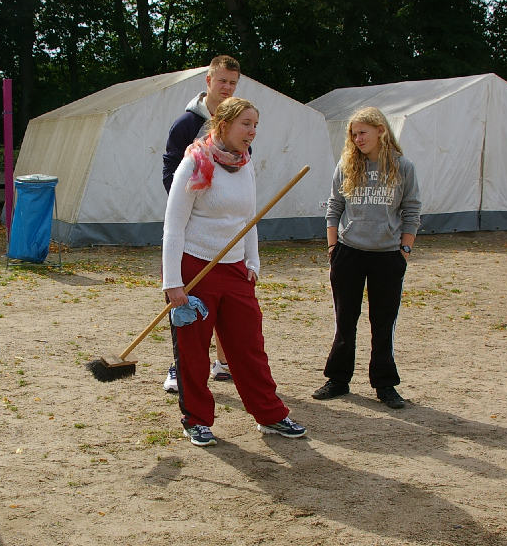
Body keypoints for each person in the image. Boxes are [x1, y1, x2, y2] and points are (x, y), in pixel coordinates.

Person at [163, 97, 307, 446]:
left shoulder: (245, 164)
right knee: (193, 353)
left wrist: (252, 262)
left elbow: (249, 219)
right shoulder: (194, 162)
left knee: (249, 347)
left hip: (236, 269)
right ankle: (196, 420)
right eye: (246, 124)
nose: (252, 131)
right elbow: (173, 227)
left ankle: (270, 415)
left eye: (255, 125)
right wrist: (173, 283)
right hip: (194, 268)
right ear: (224, 125)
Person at [312, 106, 422, 408]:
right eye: (353, 134)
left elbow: (412, 210)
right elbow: (334, 207)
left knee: (383, 322)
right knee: (345, 320)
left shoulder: (403, 167)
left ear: (380, 131)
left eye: (362, 132)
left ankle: (385, 384)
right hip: (349, 252)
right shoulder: (347, 165)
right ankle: (338, 379)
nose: (357, 139)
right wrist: (333, 248)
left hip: (387, 255)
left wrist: (405, 250)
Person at [160, 55, 241, 394]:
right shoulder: (187, 123)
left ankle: (223, 363)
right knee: (186, 300)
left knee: (225, 300)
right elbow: (170, 171)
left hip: (224, 229)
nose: (227, 88)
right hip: (191, 226)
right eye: (222, 81)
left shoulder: (238, 122)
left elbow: (240, 169)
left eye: (233, 83)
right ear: (208, 81)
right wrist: (190, 207)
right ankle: (179, 366)